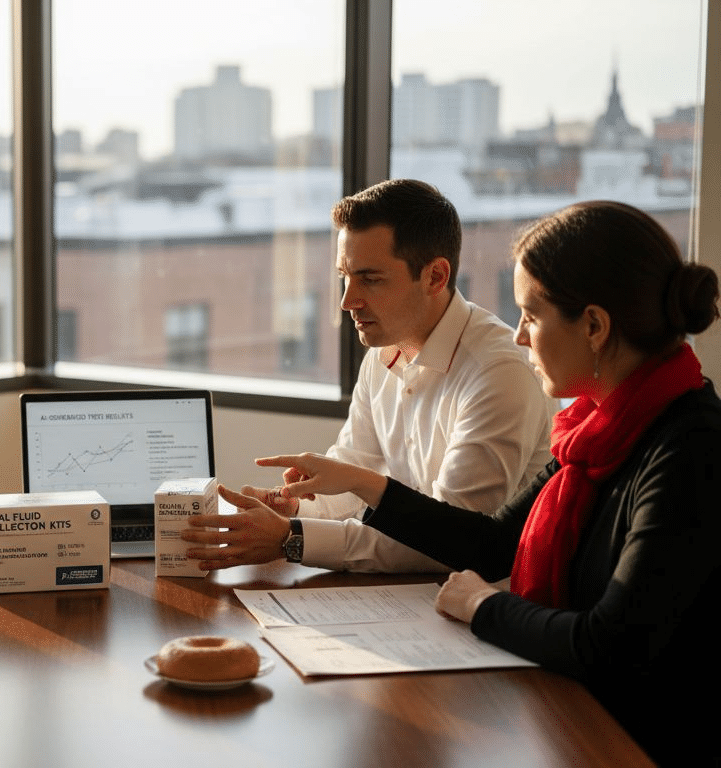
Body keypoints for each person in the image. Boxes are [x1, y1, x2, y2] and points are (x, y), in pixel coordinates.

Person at [206, 201, 719, 766]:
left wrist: (481, 606)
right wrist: (354, 487)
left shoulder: (688, 451)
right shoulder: (593, 436)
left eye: (531, 315)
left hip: (636, 739)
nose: (521, 337)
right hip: (581, 707)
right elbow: (487, 542)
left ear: (595, 326)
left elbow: (607, 645)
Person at [188, 179, 552, 572]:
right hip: (403, 600)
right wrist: (294, 506)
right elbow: (353, 477)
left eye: (371, 279)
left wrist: (290, 538)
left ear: (435, 277)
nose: (347, 301)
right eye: (345, 276)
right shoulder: (383, 353)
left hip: (478, 603)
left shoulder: (498, 373)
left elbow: (448, 540)